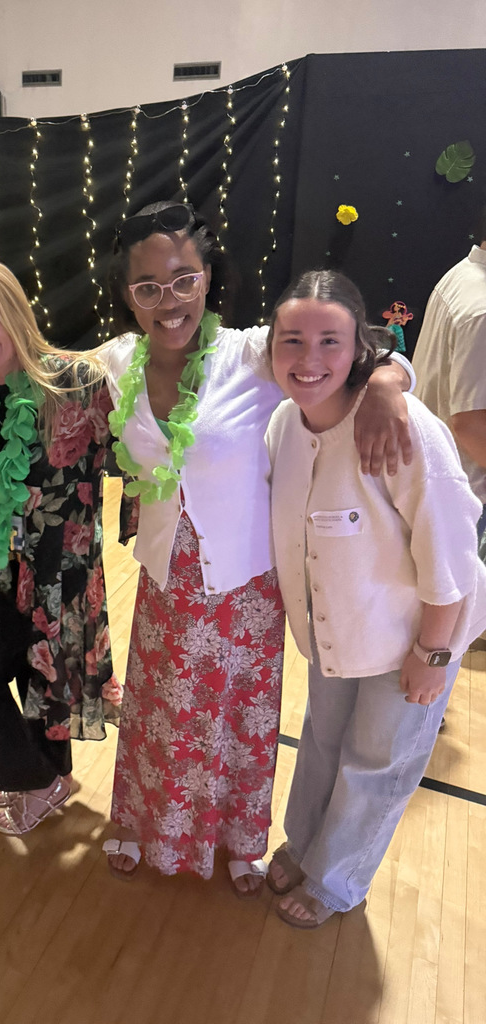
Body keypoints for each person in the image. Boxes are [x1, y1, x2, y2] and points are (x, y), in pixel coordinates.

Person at [99, 202, 414, 893]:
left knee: (238, 717)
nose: (169, 300)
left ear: (210, 277)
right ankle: (139, 821)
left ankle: (240, 839)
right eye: (148, 286)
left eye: (184, 278)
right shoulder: (118, 361)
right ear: (128, 294)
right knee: (159, 713)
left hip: (243, 584)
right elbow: (44, 373)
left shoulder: (249, 354)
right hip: (162, 579)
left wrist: (391, 381)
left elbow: (341, 353)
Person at [264, 269, 486, 927]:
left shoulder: (401, 431)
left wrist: (433, 652)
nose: (309, 361)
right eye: (292, 341)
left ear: (360, 346)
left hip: (411, 641)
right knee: (324, 740)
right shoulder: (284, 421)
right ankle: (304, 844)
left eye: (330, 342)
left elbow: (452, 557)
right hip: (339, 633)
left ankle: (337, 879)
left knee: (376, 763)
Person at [0, 255, 121, 836]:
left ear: (15, 309)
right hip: (8, 562)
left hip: (63, 566)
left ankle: (42, 781)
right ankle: (44, 778)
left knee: (38, 679)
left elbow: (133, 453)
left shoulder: (78, 380)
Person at [413, 207, 486, 530]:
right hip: (471, 498)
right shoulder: (482, 310)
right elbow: (469, 424)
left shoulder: (463, 273)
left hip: (438, 482)